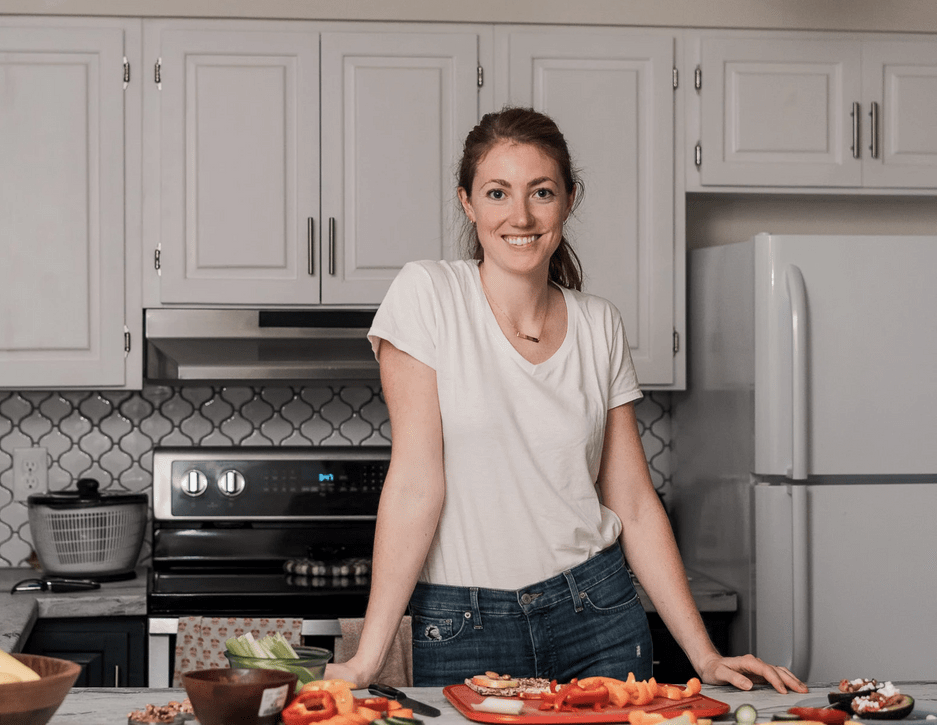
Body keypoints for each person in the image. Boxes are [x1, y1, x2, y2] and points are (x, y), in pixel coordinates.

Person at [325, 107, 807, 693]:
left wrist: (705, 657)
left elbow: (631, 501)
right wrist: (368, 658)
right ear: (467, 202)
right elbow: (416, 485)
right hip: (464, 625)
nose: (520, 216)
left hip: (598, 613)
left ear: (569, 201)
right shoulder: (428, 295)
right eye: (498, 193)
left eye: (542, 192)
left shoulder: (599, 324)